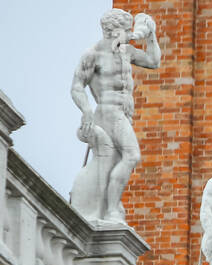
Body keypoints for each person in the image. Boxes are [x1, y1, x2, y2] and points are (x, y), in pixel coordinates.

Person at [69, 10, 161, 224]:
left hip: (124, 114)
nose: (128, 35)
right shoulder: (94, 54)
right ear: (111, 31)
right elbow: (76, 86)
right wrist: (86, 110)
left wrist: (151, 35)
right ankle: (111, 210)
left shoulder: (125, 51)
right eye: (124, 31)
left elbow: (153, 61)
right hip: (108, 112)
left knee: (113, 160)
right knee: (132, 155)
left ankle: (107, 206)